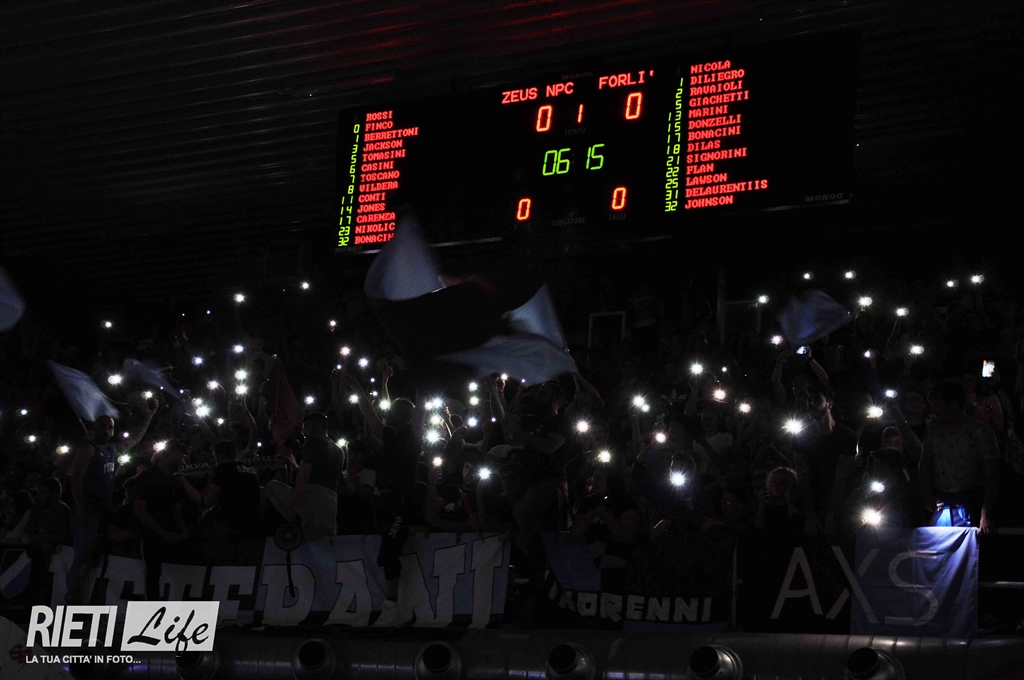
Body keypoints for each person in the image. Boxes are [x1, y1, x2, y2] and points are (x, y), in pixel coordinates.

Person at [342, 372, 421, 626]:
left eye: (396, 409)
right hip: (384, 503)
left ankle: (392, 607)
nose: (390, 412)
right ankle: (399, 609)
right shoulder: (389, 436)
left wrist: (423, 380)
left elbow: (417, 408)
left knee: (389, 552)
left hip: (400, 506)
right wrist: (357, 386)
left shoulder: (413, 436)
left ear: (406, 415)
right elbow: (369, 414)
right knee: (388, 553)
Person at [66, 400, 157, 604]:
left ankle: (88, 603)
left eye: (110, 427)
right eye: (103, 426)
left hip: (104, 509)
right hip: (89, 512)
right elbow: (75, 481)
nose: (107, 430)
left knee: (94, 560)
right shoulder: (88, 450)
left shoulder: (111, 450)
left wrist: (148, 418)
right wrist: (81, 509)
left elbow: (133, 440)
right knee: (83, 561)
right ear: (94, 429)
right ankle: (71, 607)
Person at [505, 381, 573, 580]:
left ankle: (538, 563)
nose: (537, 398)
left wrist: (523, 435)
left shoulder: (562, 422)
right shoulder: (533, 421)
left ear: (556, 399)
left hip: (552, 481)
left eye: (543, 394)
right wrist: (495, 392)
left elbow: (549, 446)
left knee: (522, 511)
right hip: (529, 480)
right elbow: (507, 421)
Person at [919, 380, 1000, 532]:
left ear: (953, 404)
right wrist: (927, 494)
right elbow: (925, 463)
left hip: (973, 501)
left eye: (937, 405)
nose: (933, 410)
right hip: (941, 501)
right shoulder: (933, 429)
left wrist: (986, 512)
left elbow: (993, 473)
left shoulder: (980, 431)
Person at [790, 384, 857, 539]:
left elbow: (842, 477)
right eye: (808, 400)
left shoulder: (846, 435)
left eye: (816, 399)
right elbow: (803, 476)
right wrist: (810, 516)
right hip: (809, 501)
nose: (811, 404)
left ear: (829, 404)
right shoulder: (801, 435)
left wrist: (831, 515)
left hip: (837, 501)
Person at [265, 412, 343, 541]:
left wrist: (291, 506)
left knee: (271, 487)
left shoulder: (313, 442)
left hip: (312, 497)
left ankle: (293, 520)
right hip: (331, 501)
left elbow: (304, 476)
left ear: (317, 426)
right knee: (326, 542)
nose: (303, 431)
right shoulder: (339, 450)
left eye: (306, 426)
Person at [133, 439, 189, 601]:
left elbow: (175, 506)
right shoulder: (147, 477)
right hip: (151, 535)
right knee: (153, 573)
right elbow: (139, 510)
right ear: (171, 454)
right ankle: (152, 609)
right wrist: (163, 532)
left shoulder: (172, 478)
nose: (183, 461)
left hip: (168, 533)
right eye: (181, 456)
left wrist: (182, 530)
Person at [179, 440, 261, 543]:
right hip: (253, 523)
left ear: (220, 457)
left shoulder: (223, 468)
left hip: (232, 526)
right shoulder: (250, 469)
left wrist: (182, 480)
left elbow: (204, 501)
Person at [754, 467, 803, 539]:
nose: (777, 484)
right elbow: (757, 531)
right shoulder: (765, 504)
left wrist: (789, 500)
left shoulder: (798, 505)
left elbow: (797, 528)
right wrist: (761, 506)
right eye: (774, 481)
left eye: (782, 482)